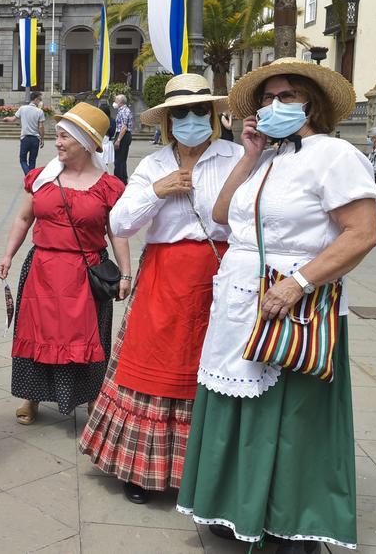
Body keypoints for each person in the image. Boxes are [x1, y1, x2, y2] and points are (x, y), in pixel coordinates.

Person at [177, 58, 376, 552]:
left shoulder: (335, 155)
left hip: (293, 306)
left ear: (312, 102)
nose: (274, 105)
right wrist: (248, 156)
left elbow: (363, 234)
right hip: (240, 300)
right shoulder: (265, 157)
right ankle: (234, 506)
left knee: (287, 418)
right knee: (233, 407)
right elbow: (223, 215)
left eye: (286, 96)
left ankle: (288, 519)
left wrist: (298, 284)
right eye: (267, 98)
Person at [79, 73, 240, 505]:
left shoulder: (238, 157)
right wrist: (157, 191)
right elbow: (120, 223)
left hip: (221, 277)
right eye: (181, 113)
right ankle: (141, 469)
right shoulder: (154, 165)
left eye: (200, 111)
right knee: (150, 369)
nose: (191, 120)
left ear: (214, 115)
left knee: (212, 370)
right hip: (164, 275)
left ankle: (206, 470)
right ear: (168, 121)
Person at [0, 103, 129, 425]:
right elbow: (23, 217)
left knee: (88, 340)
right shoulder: (42, 178)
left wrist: (126, 273)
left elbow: (117, 232)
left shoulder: (107, 186)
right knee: (36, 335)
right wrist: (8, 254)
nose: (57, 143)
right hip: (42, 267)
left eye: (64, 137)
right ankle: (31, 396)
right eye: (57, 136)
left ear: (85, 142)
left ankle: (90, 399)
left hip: (86, 275)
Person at [4, 91, 46, 173]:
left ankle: (28, 176)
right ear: (36, 99)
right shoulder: (39, 111)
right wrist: (42, 138)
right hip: (35, 139)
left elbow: (13, 119)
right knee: (32, 160)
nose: (40, 101)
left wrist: (6, 119)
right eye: (40, 99)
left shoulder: (22, 108)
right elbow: (41, 126)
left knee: (23, 160)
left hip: (25, 138)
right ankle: (30, 178)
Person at [113, 94, 134, 182]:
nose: (114, 102)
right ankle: (123, 178)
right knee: (122, 158)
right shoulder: (122, 110)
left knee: (119, 159)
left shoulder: (124, 111)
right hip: (124, 135)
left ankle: (119, 178)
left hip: (123, 135)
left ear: (121, 102)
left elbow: (124, 127)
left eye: (116, 100)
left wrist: (118, 140)